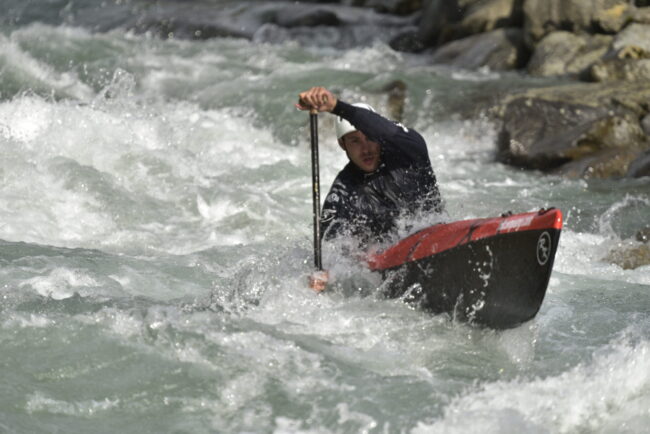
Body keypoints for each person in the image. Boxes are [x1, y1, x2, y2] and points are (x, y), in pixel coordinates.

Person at [296, 86, 443, 291]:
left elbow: (388, 130)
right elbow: (332, 250)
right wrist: (325, 276)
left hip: (436, 243)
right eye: (355, 141)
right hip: (394, 271)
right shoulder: (342, 192)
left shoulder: (409, 152)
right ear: (342, 145)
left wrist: (336, 107)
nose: (365, 149)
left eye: (369, 137)